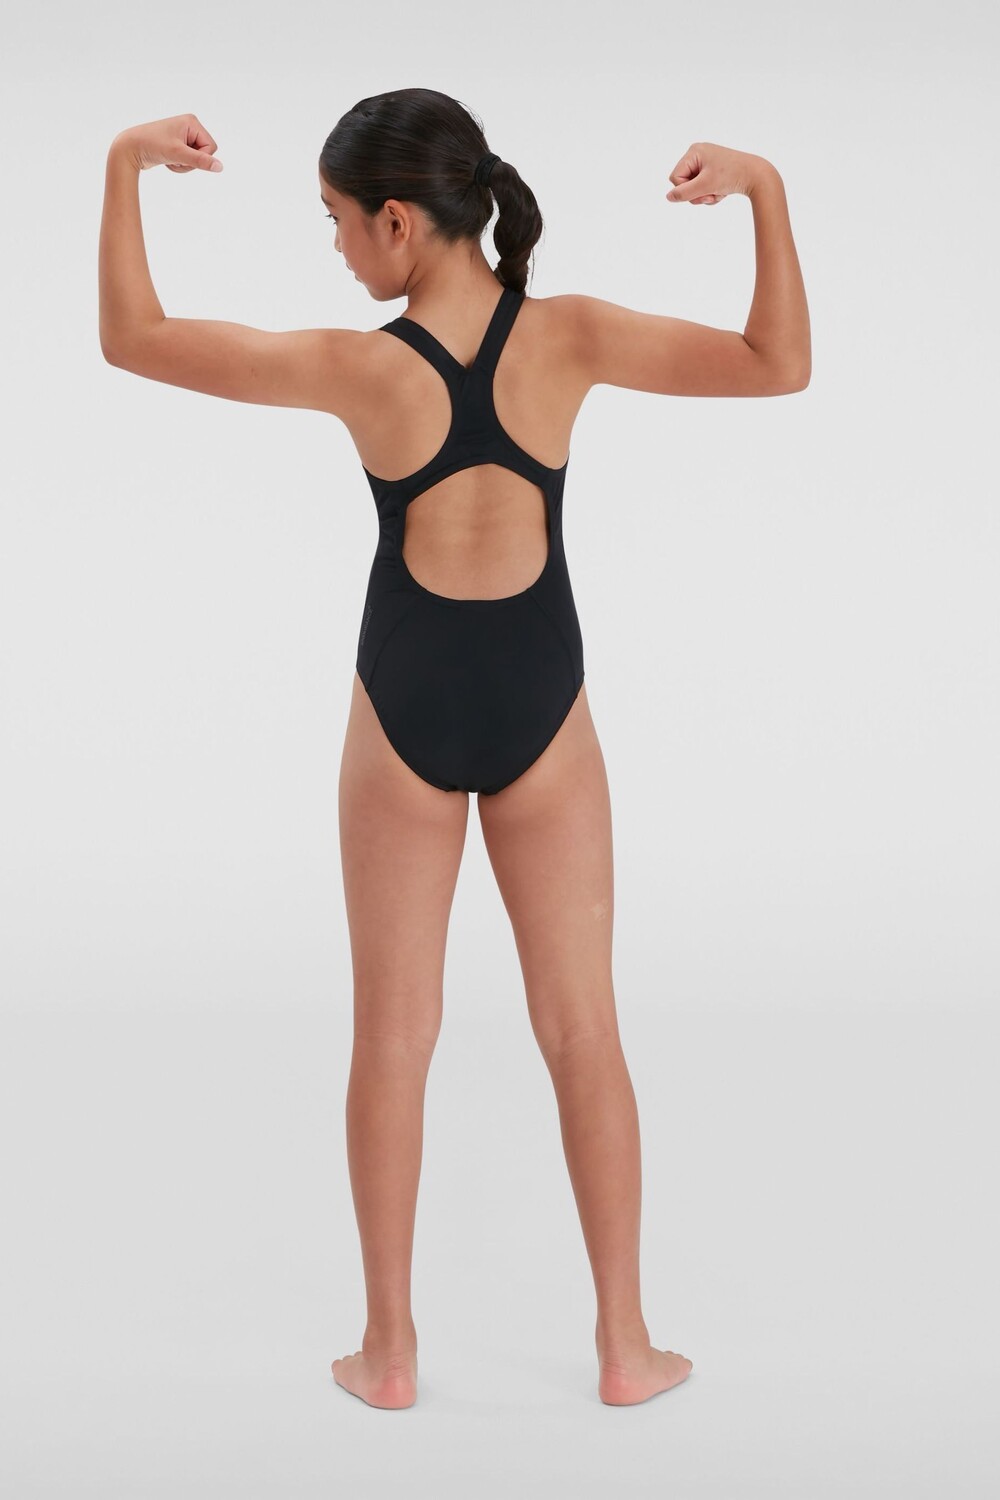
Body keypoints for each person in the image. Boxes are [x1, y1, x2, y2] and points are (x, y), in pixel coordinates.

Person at [99, 88, 810, 1412]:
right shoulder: (573, 335)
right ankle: (625, 1347)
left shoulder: (359, 369)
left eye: (333, 221)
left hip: (403, 709)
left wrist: (124, 165)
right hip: (545, 705)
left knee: (393, 1035)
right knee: (584, 1031)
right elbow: (780, 363)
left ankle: (388, 1354)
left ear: (396, 222)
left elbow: (131, 338)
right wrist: (764, 191)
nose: (332, 249)